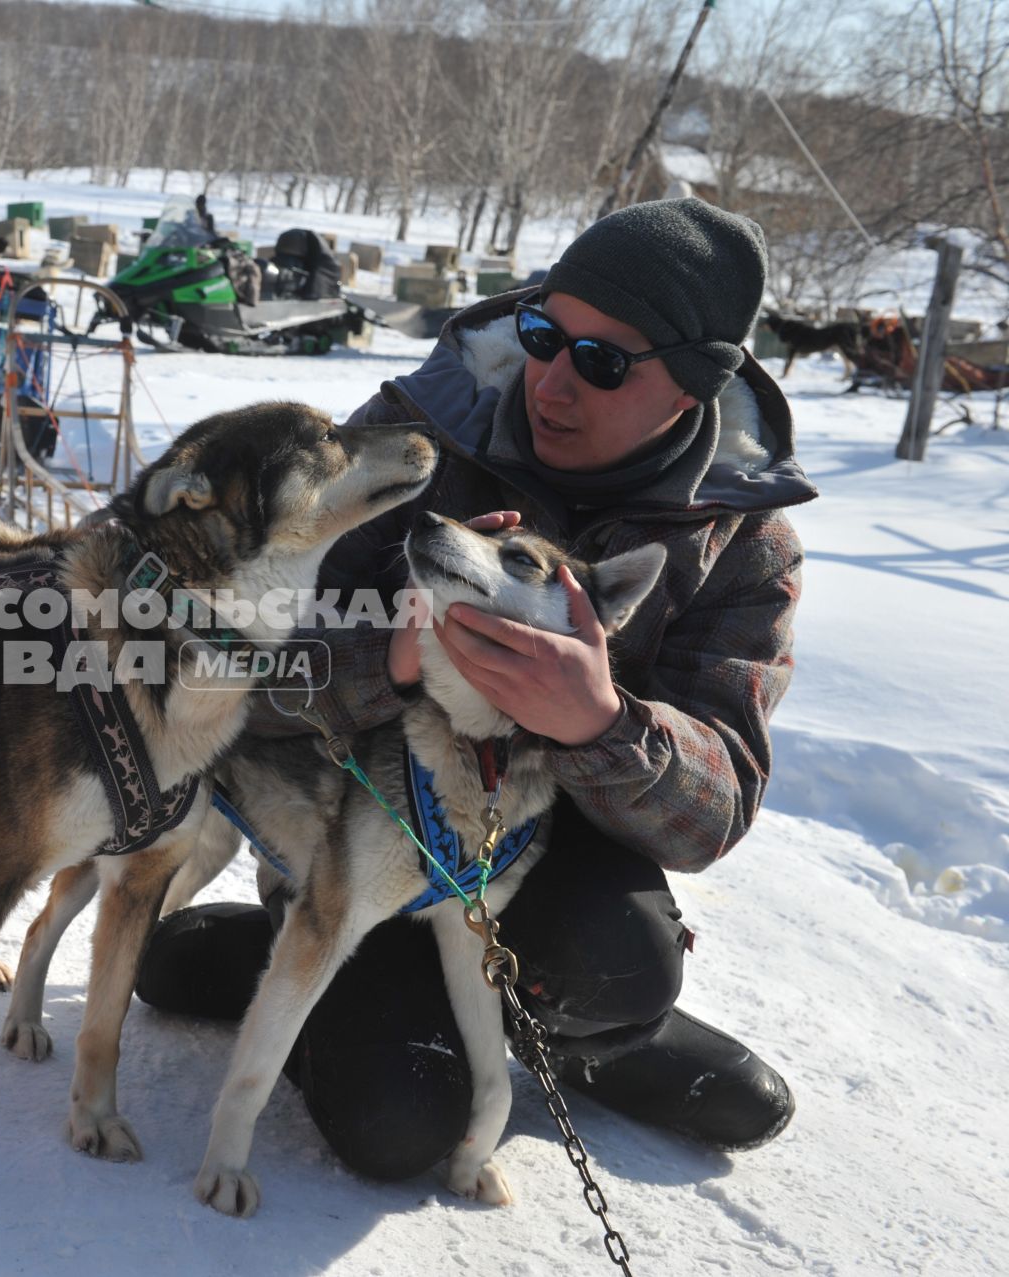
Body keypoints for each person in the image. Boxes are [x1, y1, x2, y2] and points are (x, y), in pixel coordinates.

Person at [137, 199, 815, 1179]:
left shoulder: (743, 543)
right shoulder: (413, 439)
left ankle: (579, 1029)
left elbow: (715, 808)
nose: (554, 378)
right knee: (397, 1128)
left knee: (624, 955)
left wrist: (602, 721)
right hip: (364, 824)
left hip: (541, 848)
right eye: (544, 334)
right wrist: (393, 662)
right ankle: (298, 948)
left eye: (606, 361)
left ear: (693, 386)